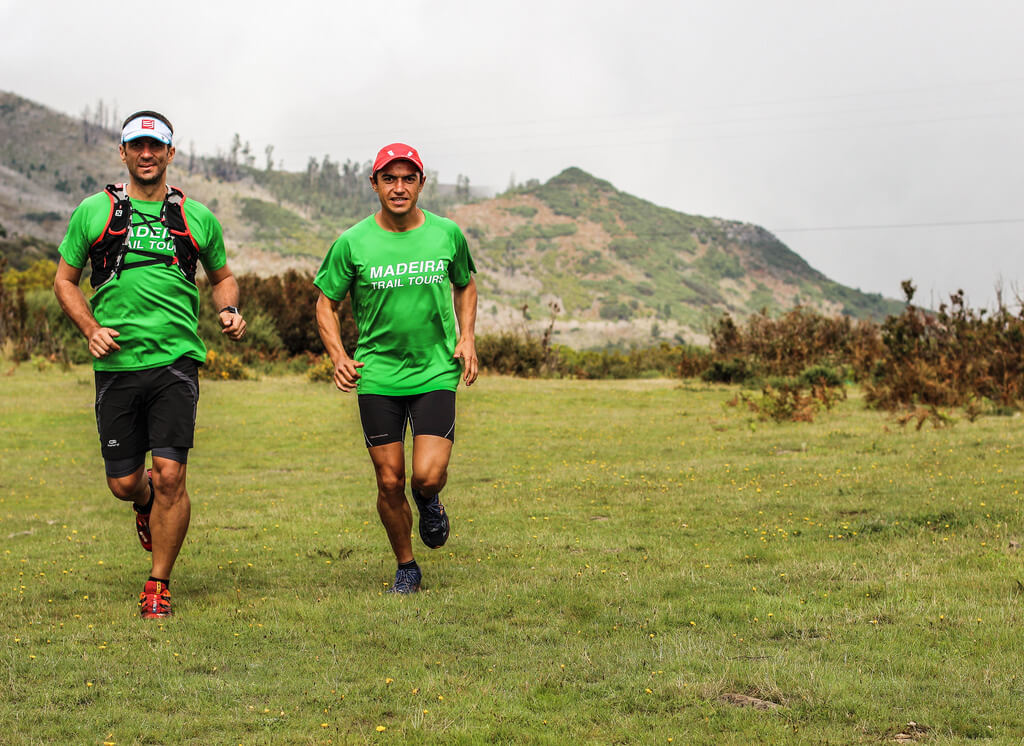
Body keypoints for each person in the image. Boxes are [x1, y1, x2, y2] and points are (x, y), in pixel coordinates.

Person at [53, 110, 246, 618]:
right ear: (122, 152)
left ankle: (158, 583)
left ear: (170, 154)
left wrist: (227, 307)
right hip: (117, 365)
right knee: (124, 483)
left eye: (155, 146)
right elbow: (64, 281)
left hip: (176, 363)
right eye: (136, 146)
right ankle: (141, 504)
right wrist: (91, 329)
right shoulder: (94, 212)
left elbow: (223, 276)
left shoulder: (195, 216)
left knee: (170, 474)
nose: (146, 154)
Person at [314, 143, 478, 594]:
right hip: (379, 374)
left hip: (434, 371)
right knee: (389, 481)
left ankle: (428, 499)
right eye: (390, 178)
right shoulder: (352, 242)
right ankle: (407, 566)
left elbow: (465, 285)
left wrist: (466, 337)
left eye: (409, 178)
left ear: (421, 183)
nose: (399, 187)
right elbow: (325, 304)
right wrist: (339, 357)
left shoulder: (447, 234)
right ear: (375, 184)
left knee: (425, 475)